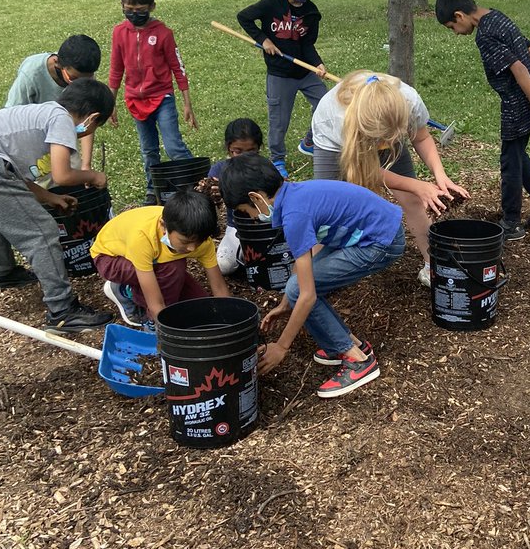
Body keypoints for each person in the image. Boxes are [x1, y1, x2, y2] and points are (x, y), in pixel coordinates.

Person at [219, 154, 405, 397]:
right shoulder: (295, 195)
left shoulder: (295, 216)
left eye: (246, 211)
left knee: (300, 291)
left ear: (256, 197)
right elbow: (304, 261)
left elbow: (306, 294)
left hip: (380, 241)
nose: (253, 218)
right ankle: (353, 346)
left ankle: (357, 361)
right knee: (295, 289)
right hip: (371, 233)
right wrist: (286, 302)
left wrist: (282, 346)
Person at [311, 71, 469, 286]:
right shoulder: (336, 118)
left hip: (380, 125)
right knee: (326, 211)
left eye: (394, 137)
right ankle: (310, 280)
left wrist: (440, 175)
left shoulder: (408, 100)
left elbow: (421, 137)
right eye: (382, 140)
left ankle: (433, 265)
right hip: (337, 142)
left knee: (413, 200)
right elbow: (362, 172)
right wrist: (416, 185)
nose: (386, 145)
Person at [434, 0, 530, 241]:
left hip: (518, 102)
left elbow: (517, 67)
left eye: (452, 27)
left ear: (459, 15)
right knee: (516, 154)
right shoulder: (497, 16)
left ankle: (512, 222)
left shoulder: (485, 35)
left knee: (510, 163)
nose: (455, 32)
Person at [0, 79, 115, 333]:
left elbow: (15, 177)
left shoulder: (44, 113)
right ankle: (62, 311)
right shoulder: (61, 119)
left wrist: (51, 199)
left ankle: (3, 272)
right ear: (91, 119)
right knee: (42, 234)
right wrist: (93, 176)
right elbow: (62, 176)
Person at [109, 0, 197, 204]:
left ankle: (198, 181)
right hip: (135, 100)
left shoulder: (163, 34)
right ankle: (153, 190)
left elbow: (178, 68)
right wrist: (111, 104)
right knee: (148, 151)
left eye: (140, 9)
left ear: (152, 7)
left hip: (162, 98)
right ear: (122, 6)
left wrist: (187, 103)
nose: (134, 14)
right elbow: (116, 70)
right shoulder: (119, 33)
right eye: (129, 9)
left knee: (173, 146)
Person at [236, 0, 328, 175]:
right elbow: (244, 17)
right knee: (279, 120)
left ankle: (309, 141)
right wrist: (263, 40)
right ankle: (277, 160)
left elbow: (307, 44)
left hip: (304, 72)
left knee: (326, 104)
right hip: (279, 74)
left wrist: (317, 63)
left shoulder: (311, 12)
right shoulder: (271, 5)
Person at [92, 189, 230, 328]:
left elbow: (219, 287)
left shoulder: (202, 240)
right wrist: (165, 329)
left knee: (202, 306)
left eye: (198, 241)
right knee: (172, 268)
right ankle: (128, 293)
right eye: (185, 242)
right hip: (110, 258)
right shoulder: (142, 238)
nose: (192, 248)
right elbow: (155, 303)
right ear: (164, 226)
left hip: (156, 262)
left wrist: (229, 319)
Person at [5, 34, 102, 171]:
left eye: (85, 80)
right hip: (32, 136)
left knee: (74, 173)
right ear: (58, 63)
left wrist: (86, 164)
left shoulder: (84, 72)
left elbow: (87, 120)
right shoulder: (31, 74)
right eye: (73, 78)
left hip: (64, 130)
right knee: (42, 178)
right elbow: (12, 117)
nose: (80, 85)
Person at [203, 118, 264, 275]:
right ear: (228, 148)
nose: (244, 157)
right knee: (223, 265)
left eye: (251, 152)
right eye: (237, 151)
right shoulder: (219, 170)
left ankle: (251, 261)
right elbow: (209, 209)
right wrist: (212, 197)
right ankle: (246, 260)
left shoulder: (265, 168)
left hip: (266, 227)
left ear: (259, 149)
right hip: (237, 227)